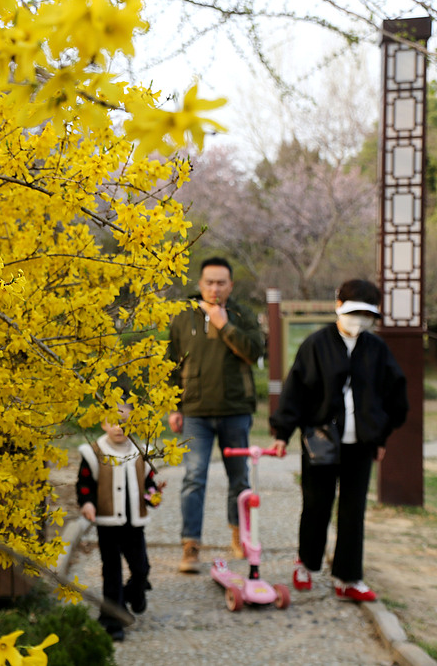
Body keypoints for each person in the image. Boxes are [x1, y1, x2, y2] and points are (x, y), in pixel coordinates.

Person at [269, 279, 408, 602]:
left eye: (365, 314)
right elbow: (295, 392)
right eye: (353, 312)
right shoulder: (316, 344)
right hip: (320, 439)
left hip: (361, 443)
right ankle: (306, 563)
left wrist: (381, 434)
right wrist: (282, 434)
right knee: (316, 503)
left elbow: (394, 395)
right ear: (338, 306)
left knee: (353, 509)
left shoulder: (376, 349)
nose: (358, 320)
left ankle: (348, 576)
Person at [166, 257, 264, 573]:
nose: (214, 288)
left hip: (235, 409)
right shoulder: (183, 316)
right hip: (195, 410)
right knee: (194, 478)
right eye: (209, 282)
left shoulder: (242, 314)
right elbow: (171, 363)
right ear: (200, 284)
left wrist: (224, 325)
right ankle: (190, 545)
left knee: (239, 479)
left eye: (221, 282)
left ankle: (240, 536)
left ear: (231, 285)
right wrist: (173, 406)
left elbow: (253, 352)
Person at [76, 403, 163, 642]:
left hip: (135, 524)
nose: (119, 427)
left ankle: (134, 593)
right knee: (111, 572)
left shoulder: (142, 451)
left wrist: (154, 497)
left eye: (125, 422)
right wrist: (87, 503)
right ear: (103, 423)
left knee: (141, 568)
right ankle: (112, 619)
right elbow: (84, 485)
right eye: (113, 421)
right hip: (108, 526)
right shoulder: (94, 452)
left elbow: (150, 485)